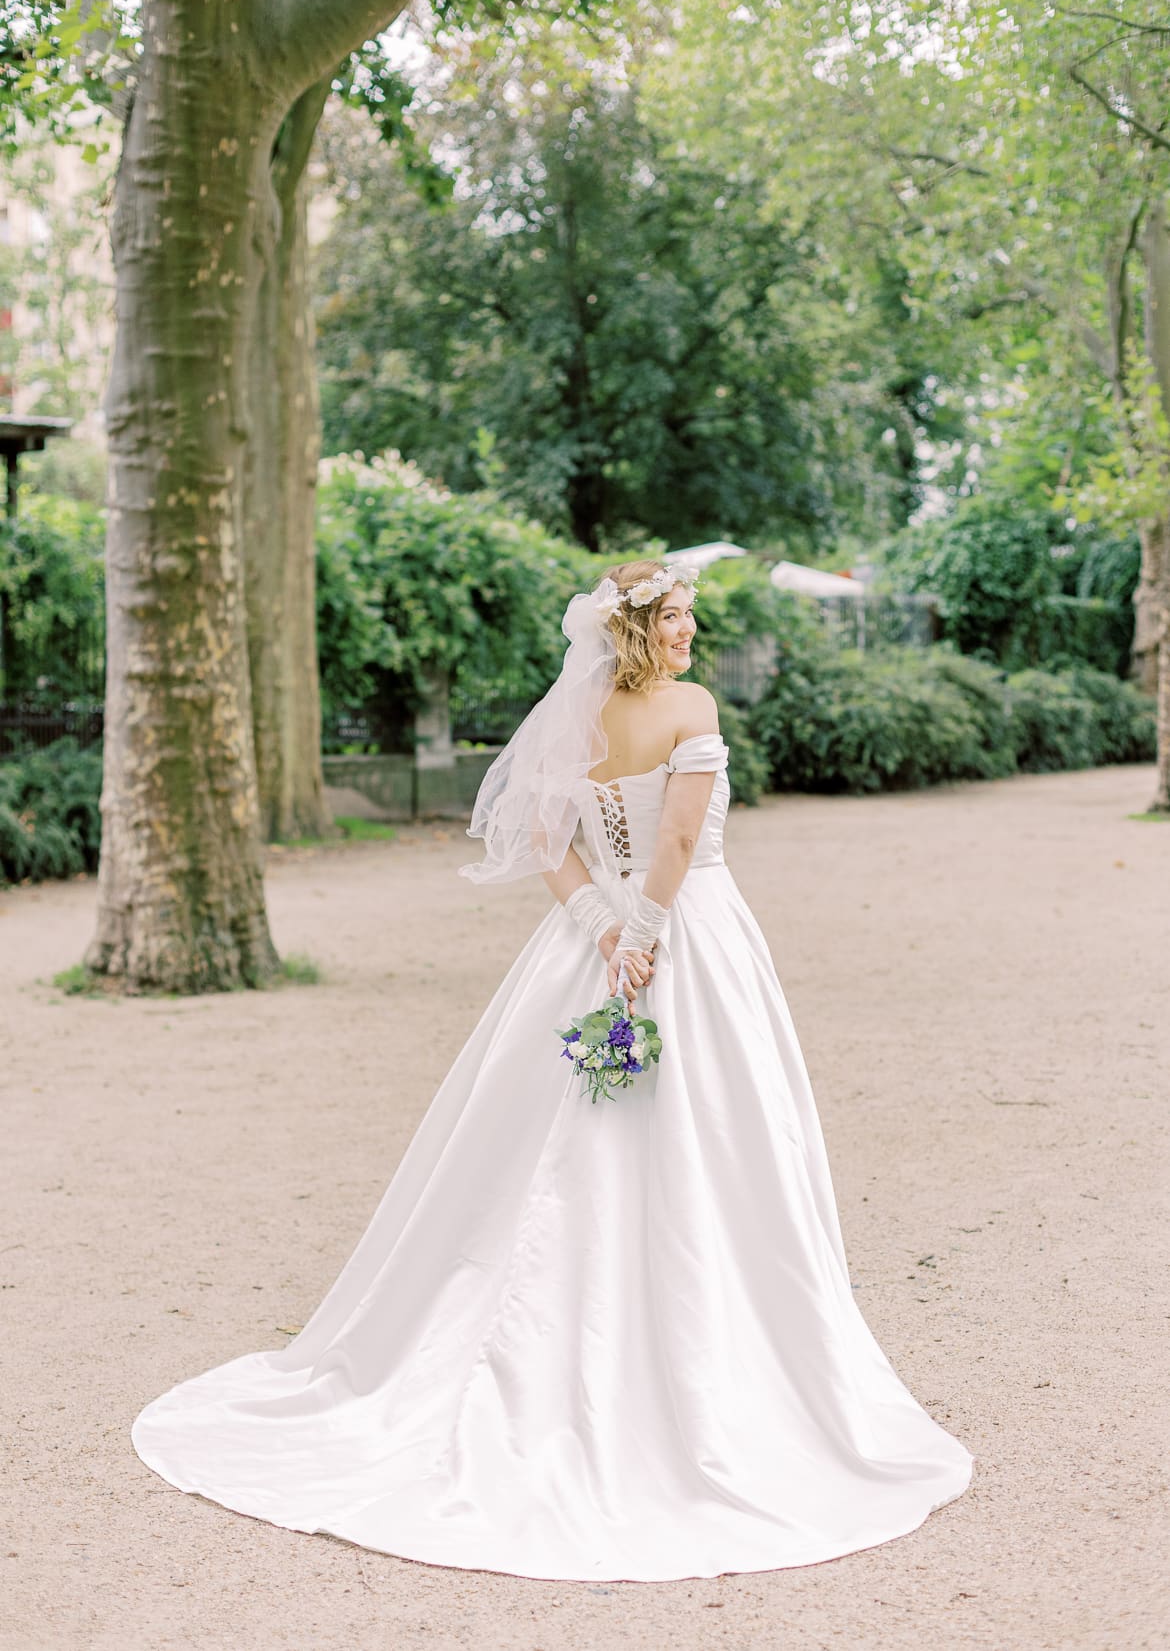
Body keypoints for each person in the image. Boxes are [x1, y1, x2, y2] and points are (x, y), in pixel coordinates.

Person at [131, 558, 973, 1583]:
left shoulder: (575, 721)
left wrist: (600, 928)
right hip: (685, 939)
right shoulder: (691, 707)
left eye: (690, 617)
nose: (690, 633)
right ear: (636, 627)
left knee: (565, 1140)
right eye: (675, 618)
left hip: (595, 944)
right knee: (713, 1132)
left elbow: (548, 839)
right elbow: (674, 833)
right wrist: (645, 937)